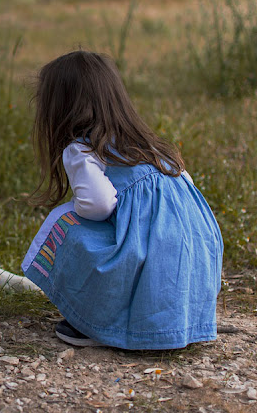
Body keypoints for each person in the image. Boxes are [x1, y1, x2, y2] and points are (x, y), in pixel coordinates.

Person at [22, 50, 223, 349]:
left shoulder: (83, 149)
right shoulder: (151, 146)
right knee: (149, 240)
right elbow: (185, 192)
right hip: (196, 255)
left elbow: (99, 205)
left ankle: (98, 322)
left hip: (150, 257)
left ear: (60, 108)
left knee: (65, 224)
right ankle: (177, 320)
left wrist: (75, 209)